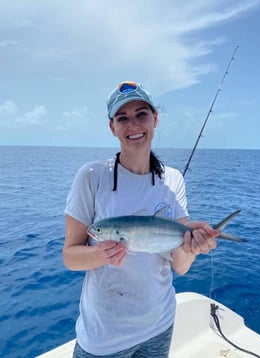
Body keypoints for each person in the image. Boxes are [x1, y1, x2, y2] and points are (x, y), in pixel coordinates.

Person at [63, 81, 218, 358]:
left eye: (141, 114)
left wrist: (192, 246)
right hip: (104, 337)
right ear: (112, 127)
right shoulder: (91, 176)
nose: (133, 125)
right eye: (123, 118)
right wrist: (102, 254)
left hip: (159, 325)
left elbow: (180, 266)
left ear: (155, 119)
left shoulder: (172, 180)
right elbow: (70, 257)